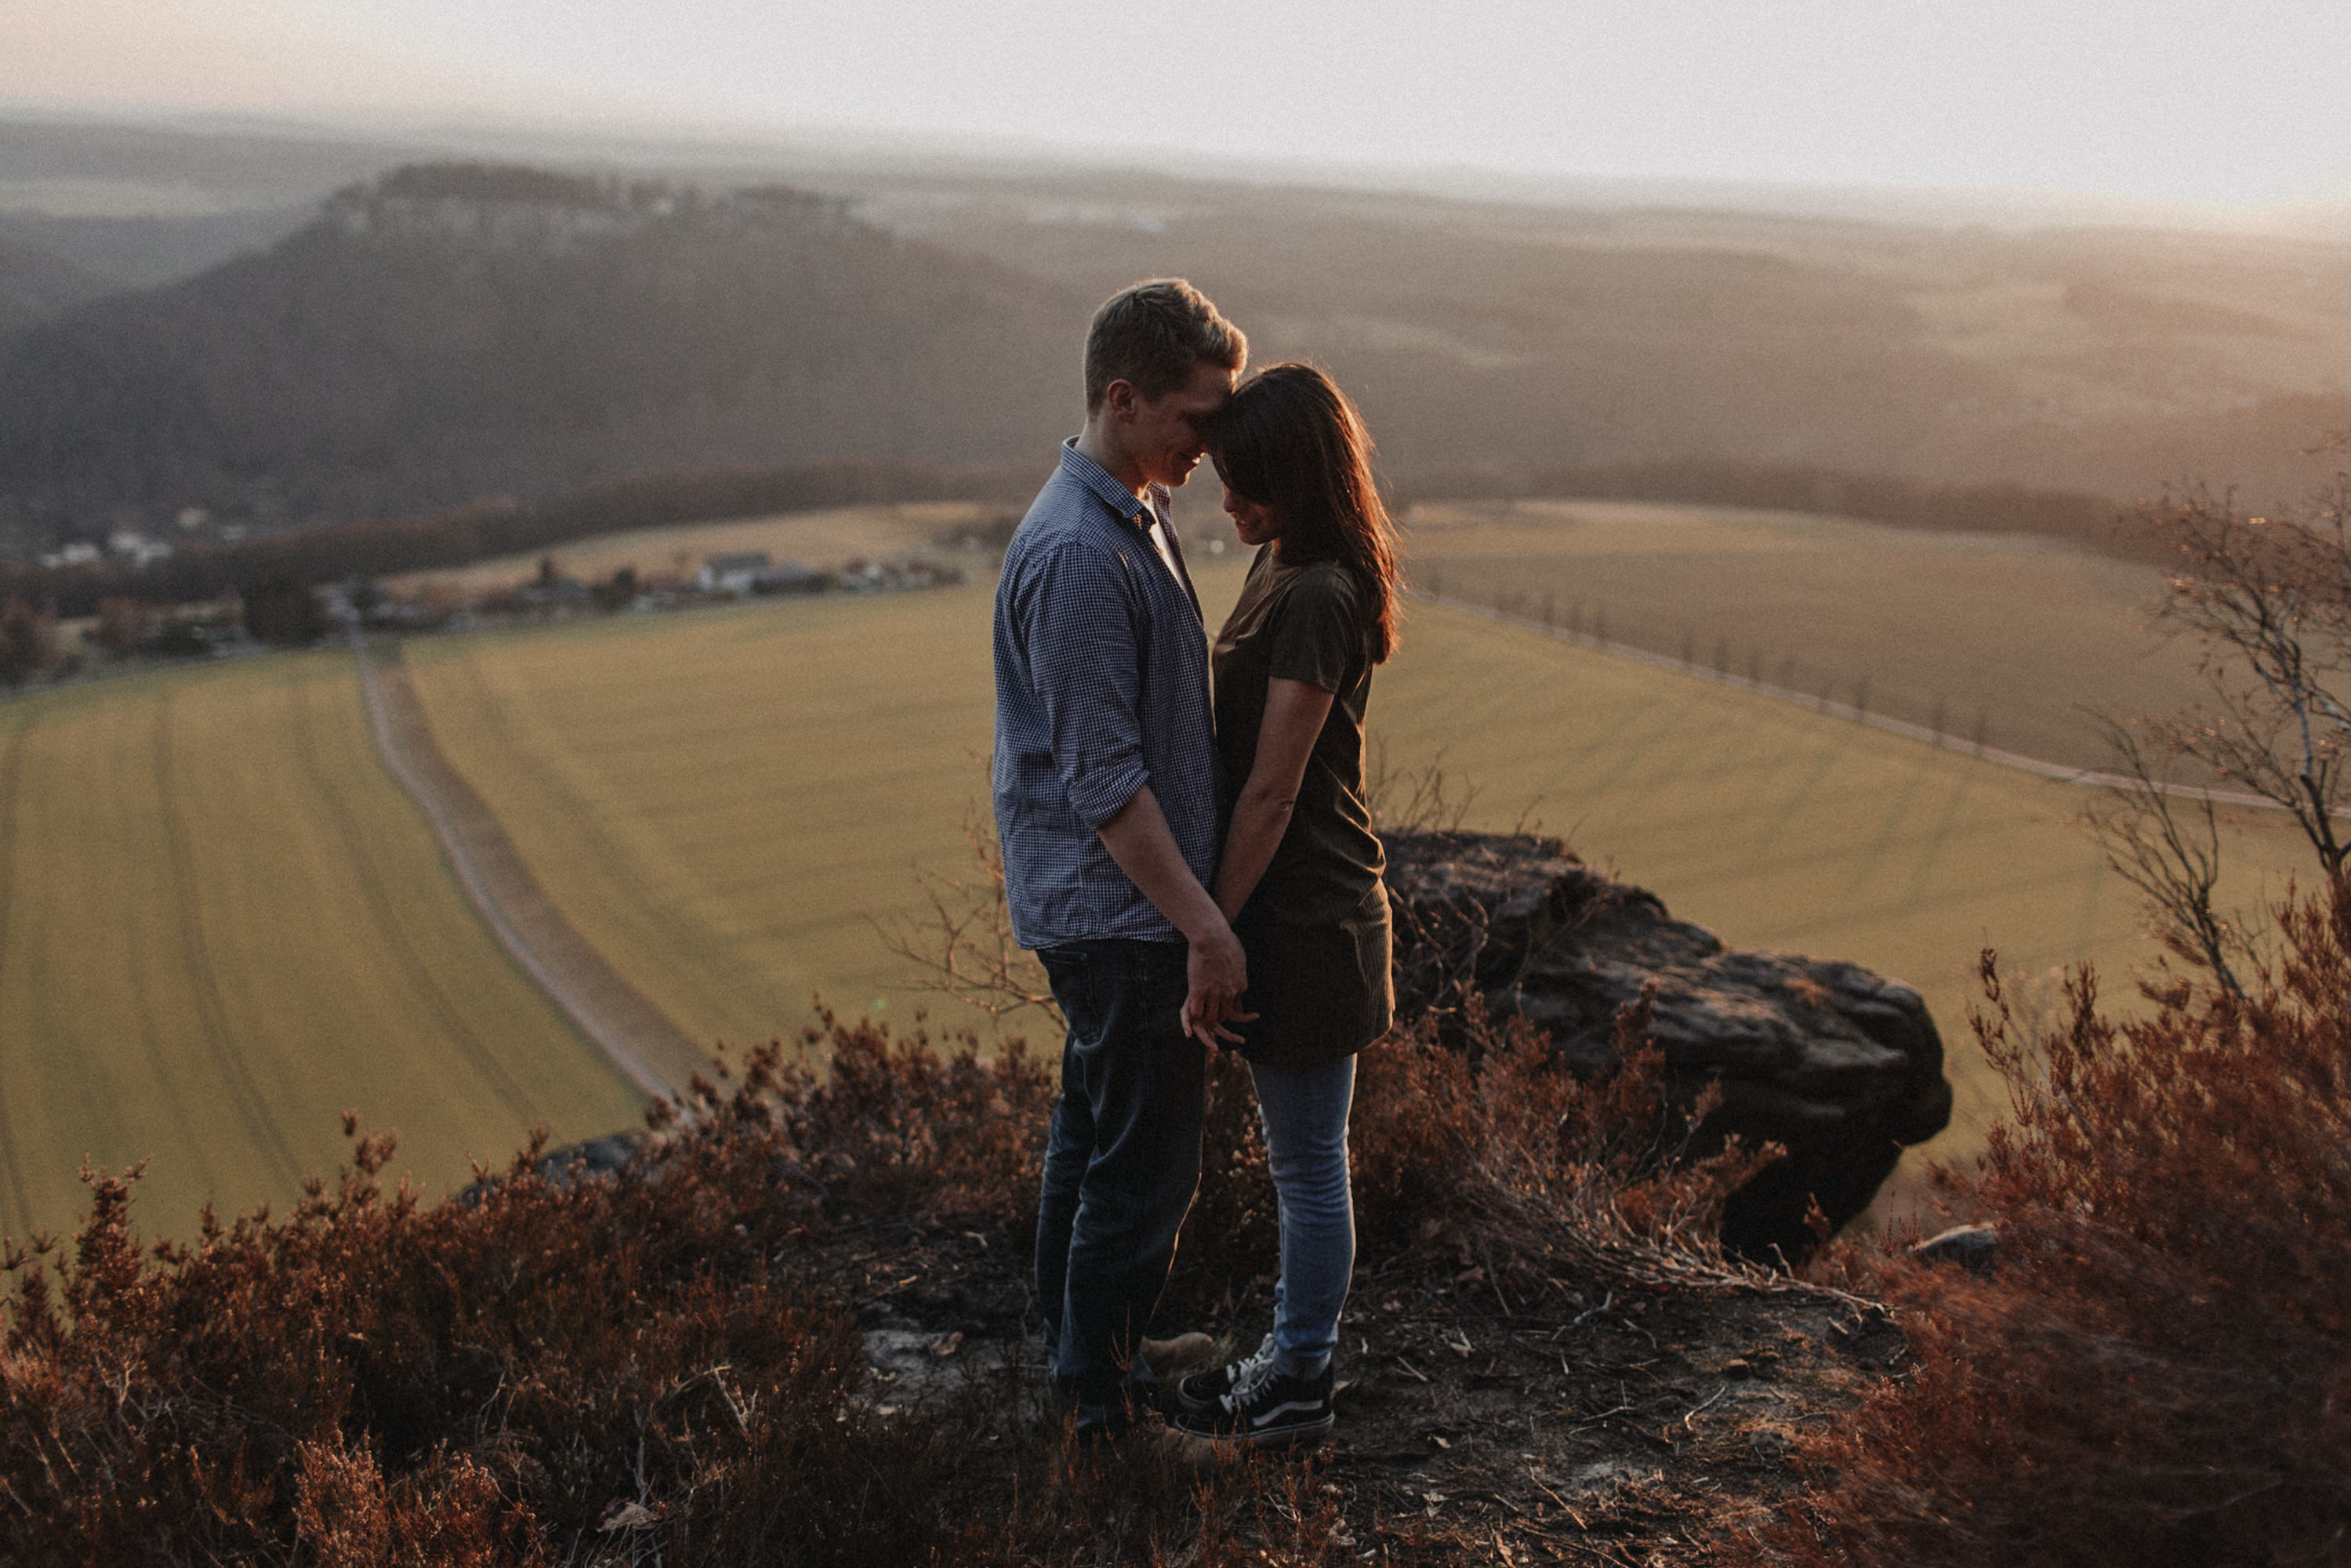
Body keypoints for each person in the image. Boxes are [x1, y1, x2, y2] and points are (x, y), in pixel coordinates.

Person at [992, 278, 1252, 1443]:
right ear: (1124, 397)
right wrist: (1202, 924)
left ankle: (1081, 1352)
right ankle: (1104, 1414)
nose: (1214, 442)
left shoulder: (1124, 511)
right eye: (1197, 418)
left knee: (1093, 1139)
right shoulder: (1083, 557)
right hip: (1123, 915)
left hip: (1112, 911)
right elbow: (1105, 783)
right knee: (1143, 1173)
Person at [1174, 363, 1402, 1450]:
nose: (1229, 506)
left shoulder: (1317, 594)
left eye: (1247, 485)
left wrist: (1205, 925)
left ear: (1299, 479)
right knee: (1297, 1161)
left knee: (1309, 1169)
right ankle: (1287, 1359)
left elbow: (1272, 790)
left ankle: (1300, 1378)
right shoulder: (1284, 560)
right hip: (1284, 907)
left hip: (1310, 917)